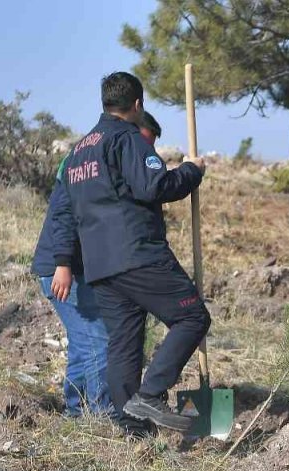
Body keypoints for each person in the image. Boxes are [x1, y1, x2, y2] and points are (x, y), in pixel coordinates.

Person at [60, 71, 207, 432]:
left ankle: (133, 430)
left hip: (100, 266)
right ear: (137, 104)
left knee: (124, 344)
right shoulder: (127, 138)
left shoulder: (79, 151)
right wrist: (191, 171)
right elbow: (154, 186)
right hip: (137, 254)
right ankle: (151, 394)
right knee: (192, 318)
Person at [31, 112, 164, 429]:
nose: (144, 154)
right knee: (99, 341)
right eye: (143, 144)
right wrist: (63, 263)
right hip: (62, 268)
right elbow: (64, 213)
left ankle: (76, 411)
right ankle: (105, 415)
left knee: (83, 341)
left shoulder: (108, 163)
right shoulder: (85, 161)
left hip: (76, 268)